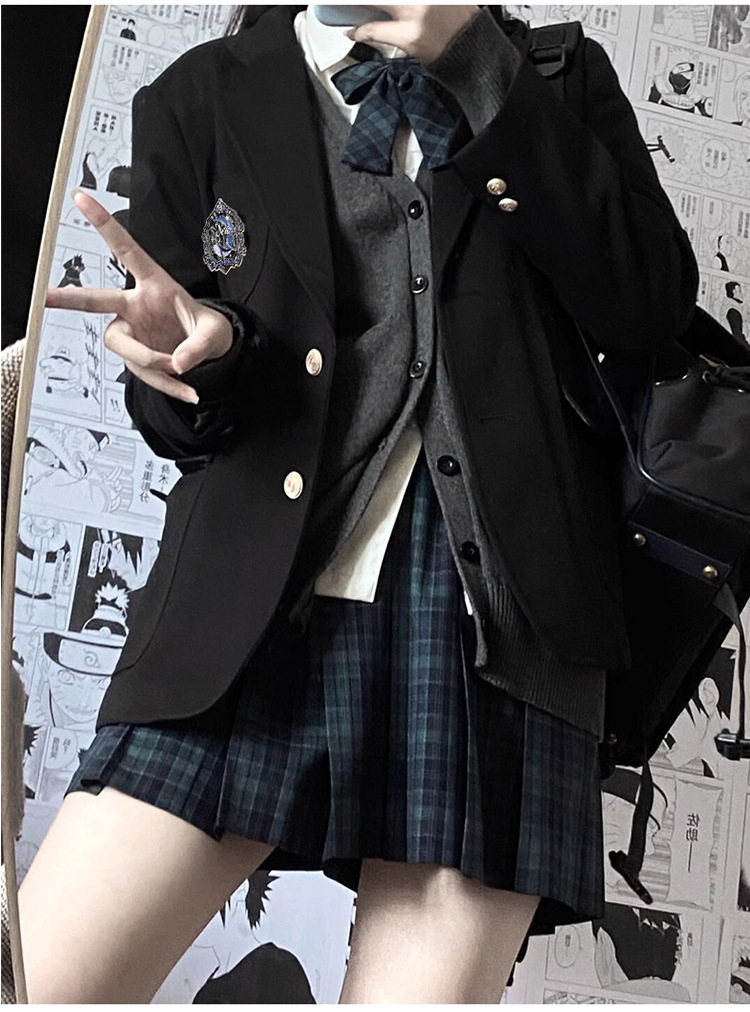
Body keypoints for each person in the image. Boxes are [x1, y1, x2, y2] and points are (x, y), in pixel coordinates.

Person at [19, 4, 699, 1004]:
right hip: (241, 621)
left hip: (501, 629)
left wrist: (475, 62)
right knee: (40, 982)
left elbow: (649, 306)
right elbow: (173, 417)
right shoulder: (203, 93)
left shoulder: (555, 75)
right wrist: (203, 360)